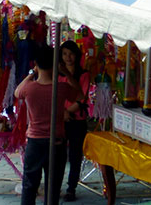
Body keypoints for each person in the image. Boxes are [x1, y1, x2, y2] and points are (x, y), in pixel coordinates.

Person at [15, 44, 84, 205]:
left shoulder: (29, 88)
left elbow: (17, 92)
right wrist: (66, 72)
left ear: (36, 64)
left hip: (34, 142)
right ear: (55, 64)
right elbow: (80, 95)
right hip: (56, 142)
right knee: (53, 189)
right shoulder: (62, 88)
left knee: (29, 186)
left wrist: (32, 73)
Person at [60, 41, 90, 202]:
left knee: (75, 156)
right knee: (59, 155)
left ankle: (71, 188)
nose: (68, 57)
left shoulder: (84, 74)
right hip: (60, 120)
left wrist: (66, 112)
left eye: (70, 54)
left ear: (76, 55)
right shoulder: (57, 75)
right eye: (64, 54)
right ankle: (56, 185)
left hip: (77, 120)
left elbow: (81, 98)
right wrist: (62, 113)